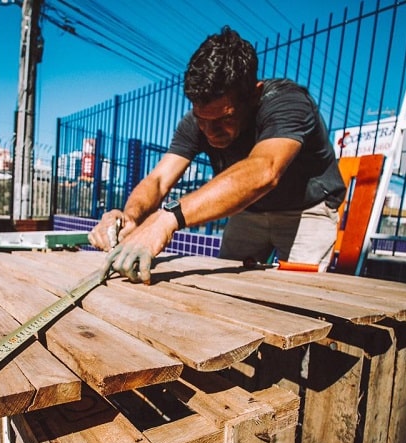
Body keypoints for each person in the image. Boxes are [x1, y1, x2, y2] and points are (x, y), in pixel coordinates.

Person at [88, 26, 346, 283]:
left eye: (225, 118)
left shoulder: (286, 102)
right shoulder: (196, 122)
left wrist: (168, 218)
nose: (210, 131)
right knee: (223, 286)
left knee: (299, 298)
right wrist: (130, 217)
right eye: (202, 119)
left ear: (254, 94)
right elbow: (158, 180)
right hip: (250, 212)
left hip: (306, 210)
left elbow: (264, 170)